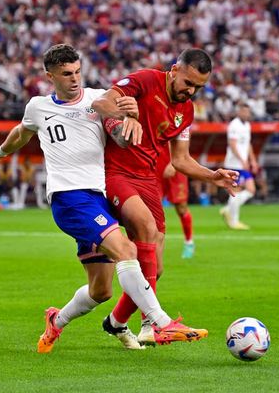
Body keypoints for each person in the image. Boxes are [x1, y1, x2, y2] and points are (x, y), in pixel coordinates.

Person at [0, 44, 208, 353]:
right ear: (49, 75)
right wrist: (0, 152)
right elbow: (20, 134)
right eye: (66, 74)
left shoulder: (97, 99)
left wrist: (127, 121)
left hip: (100, 199)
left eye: (78, 71)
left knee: (101, 289)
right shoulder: (37, 107)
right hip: (70, 198)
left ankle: (57, 321)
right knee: (127, 248)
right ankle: (159, 322)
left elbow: (117, 129)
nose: (74, 79)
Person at [92, 48, 238, 346]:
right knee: (145, 227)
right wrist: (125, 115)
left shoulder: (186, 111)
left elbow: (181, 160)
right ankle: (154, 324)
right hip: (116, 172)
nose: (191, 91)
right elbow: (101, 102)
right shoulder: (146, 80)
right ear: (174, 70)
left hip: (147, 179)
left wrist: (212, 176)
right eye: (188, 82)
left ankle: (116, 321)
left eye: (198, 87)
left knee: (155, 268)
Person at [219, 102, 258, 230]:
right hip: (233, 164)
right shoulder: (234, 125)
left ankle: (227, 209)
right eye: (244, 112)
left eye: (247, 112)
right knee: (236, 191)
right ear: (238, 112)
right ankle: (234, 222)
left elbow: (247, 144)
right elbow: (232, 144)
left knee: (251, 190)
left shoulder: (247, 125)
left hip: (243, 164)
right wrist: (242, 160)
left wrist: (253, 160)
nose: (246, 114)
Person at [156, 146, 195, 259]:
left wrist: (174, 162)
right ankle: (153, 246)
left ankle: (189, 243)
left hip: (175, 164)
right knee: (154, 208)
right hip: (156, 164)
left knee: (181, 208)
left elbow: (184, 137)